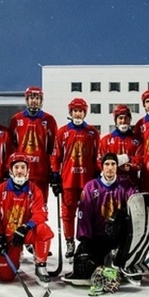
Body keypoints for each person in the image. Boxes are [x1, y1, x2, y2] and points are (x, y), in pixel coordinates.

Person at [62, 153, 142, 286]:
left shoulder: (126, 184)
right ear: (102, 167)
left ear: (117, 167)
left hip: (120, 238)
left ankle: (126, 264)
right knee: (83, 263)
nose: (110, 168)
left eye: (113, 164)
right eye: (107, 164)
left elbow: (135, 204)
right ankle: (105, 260)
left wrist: (121, 215)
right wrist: (85, 241)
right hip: (98, 238)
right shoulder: (91, 187)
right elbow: (84, 216)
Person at [0, 153, 54, 284]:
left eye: (23, 167)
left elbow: (40, 214)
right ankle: (14, 257)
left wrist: (26, 227)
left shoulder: (35, 190)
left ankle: (41, 266)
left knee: (43, 230)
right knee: (5, 277)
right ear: (11, 170)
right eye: (16, 167)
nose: (19, 171)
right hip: (8, 236)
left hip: (25, 233)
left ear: (28, 170)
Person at [50, 97, 100, 260]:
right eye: (75, 111)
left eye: (80, 111)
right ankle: (69, 241)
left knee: (87, 213)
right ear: (70, 113)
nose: (78, 114)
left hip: (86, 181)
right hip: (69, 180)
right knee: (68, 213)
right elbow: (56, 156)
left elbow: (96, 157)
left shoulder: (92, 132)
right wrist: (55, 175)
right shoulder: (62, 132)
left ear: (85, 113)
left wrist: (98, 174)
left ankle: (85, 241)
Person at [9, 86, 58, 204]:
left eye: (37, 98)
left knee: (40, 206)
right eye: (31, 98)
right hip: (21, 173)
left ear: (41, 100)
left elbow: (54, 148)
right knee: (21, 206)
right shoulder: (16, 119)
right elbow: (11, 146)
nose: (34, 101)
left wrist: (54, 170)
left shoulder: (49, 120)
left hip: (41, 173)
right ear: (27, 100)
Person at [97, 104, 142, 186]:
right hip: (111, 184)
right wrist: (113, 166)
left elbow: (141, 159)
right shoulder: (105, 140)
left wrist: (129, 163)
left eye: (126, 118)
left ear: (130, 120)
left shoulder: (138, 140)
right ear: (115, 120)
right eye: (120, 118)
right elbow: (99, 162)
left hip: (132, 183)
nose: (123, 121)